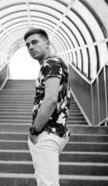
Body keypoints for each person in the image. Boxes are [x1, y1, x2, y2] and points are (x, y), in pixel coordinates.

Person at [24, 28, 70, 186]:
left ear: (47, 43)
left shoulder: (51, 63)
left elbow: (50, 100)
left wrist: (34, 130)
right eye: (27, 44)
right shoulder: (52, 64)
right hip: (51, 132)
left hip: (47, 132)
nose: (30, 47)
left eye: (35, 42)